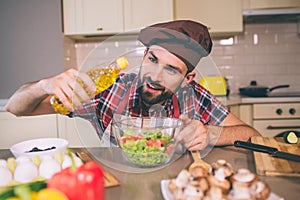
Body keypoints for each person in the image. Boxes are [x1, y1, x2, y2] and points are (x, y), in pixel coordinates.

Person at [5, 20, 261, 151]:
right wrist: (43, 85)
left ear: (188, 79)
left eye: (171, 69)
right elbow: (17, 108)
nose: (155, 76)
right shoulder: (107, 90)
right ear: (145, 55)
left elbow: (251, 134)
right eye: (152, 60)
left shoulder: (195, 96)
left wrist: (210, 135)